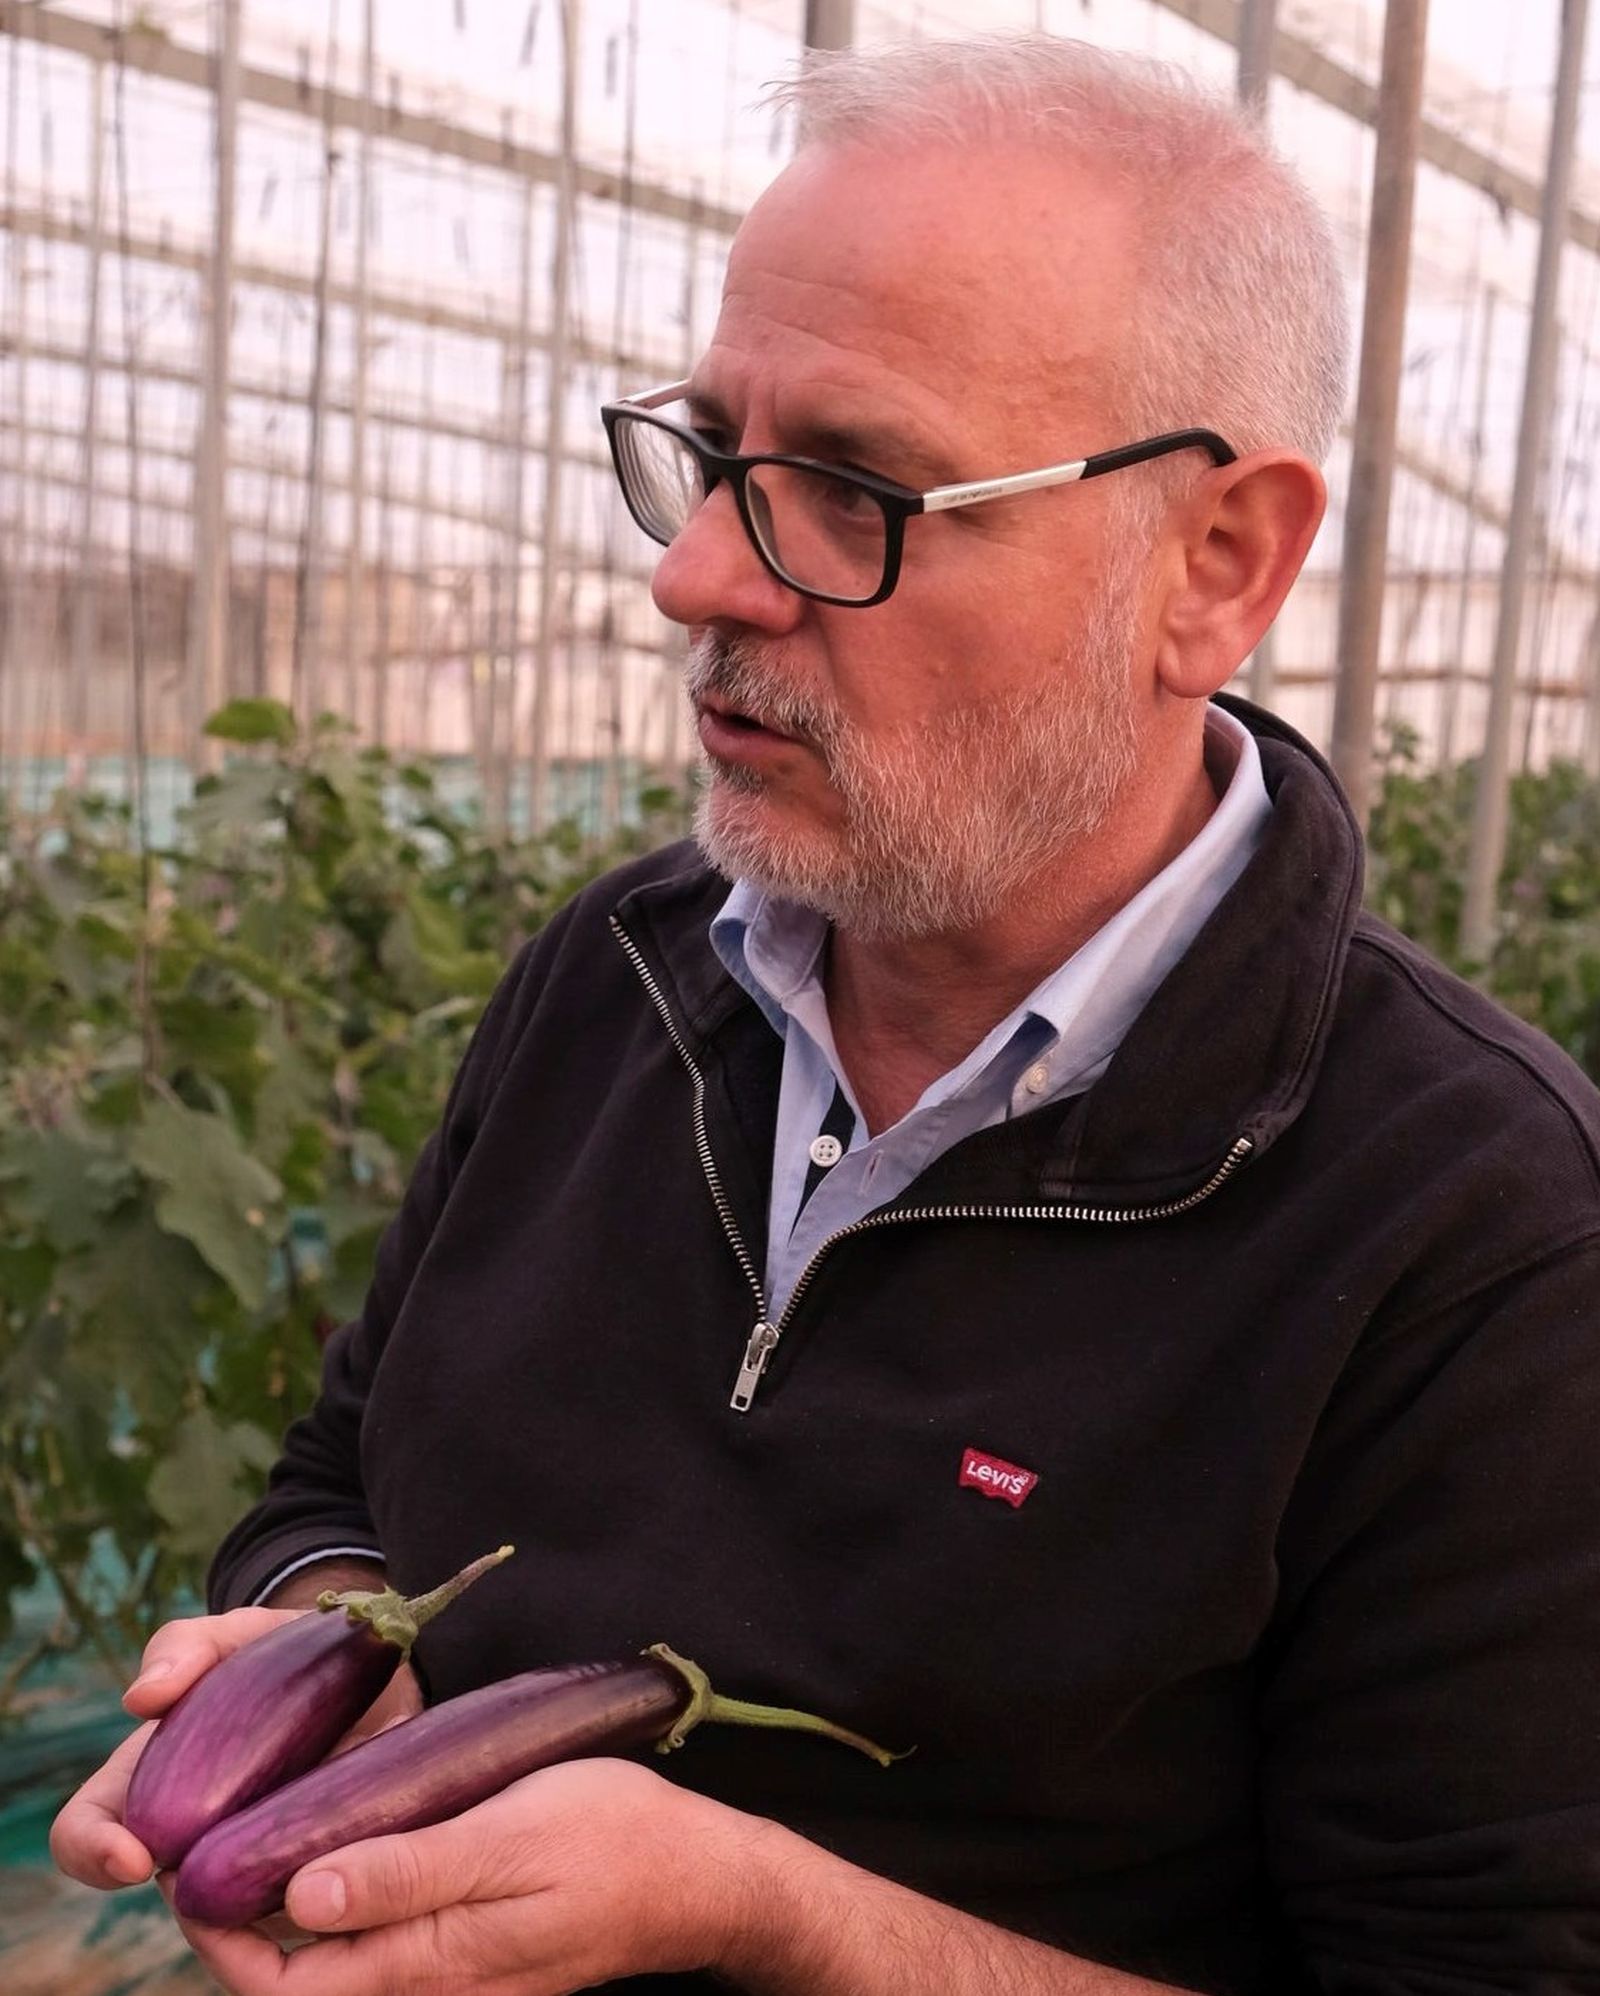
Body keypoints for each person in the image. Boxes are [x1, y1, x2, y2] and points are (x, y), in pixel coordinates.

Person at [51, 31, 1600, 1996]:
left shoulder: (1475, 1229)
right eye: (709, 453)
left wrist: (785, 1915)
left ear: (1212, 567)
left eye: (853, 489)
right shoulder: (612, 970)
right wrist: (331, 1645)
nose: (692, 573)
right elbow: (331, 1486)